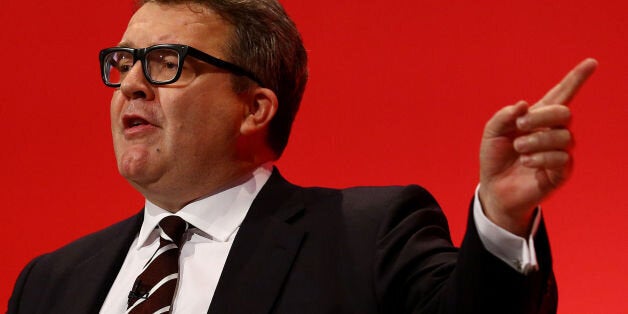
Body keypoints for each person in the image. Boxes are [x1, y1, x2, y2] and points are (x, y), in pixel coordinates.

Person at [7, 0, 596, 313]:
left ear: (255, 108)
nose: (132, 83)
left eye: (166, 62)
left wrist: (500, 217)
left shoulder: (367, 237)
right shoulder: (50, 282)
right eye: (125, 61)